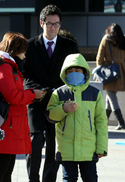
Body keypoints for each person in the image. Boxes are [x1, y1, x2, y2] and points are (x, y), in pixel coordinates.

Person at [23, 4, 79, 182]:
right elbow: (25, 74)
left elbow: (73, 73)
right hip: (36, 101)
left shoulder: (69, 46)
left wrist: (56, 91)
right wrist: (38, 90)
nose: (53, 27)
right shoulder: (30, 45)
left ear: (60, 25)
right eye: (49, 23)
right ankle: (33, 179)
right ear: (41, 23)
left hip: (58, 103)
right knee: (35, 143)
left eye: (56, 24)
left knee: (54, 147)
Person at [0, 32, 45, 182]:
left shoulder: (6, 65)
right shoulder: (5, 67)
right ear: (16, 50)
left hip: (7, 124)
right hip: (5, 125)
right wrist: (32, 94)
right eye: (23, 50)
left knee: (6, 171)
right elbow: (12, 96)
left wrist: (30, 95)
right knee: (0, 170)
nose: (25, 55)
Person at [46, 53, 108, 182]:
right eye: (70, 71)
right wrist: (63, 109)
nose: (74, 73)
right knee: (69, 178)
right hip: (66, 148)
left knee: (90, 178)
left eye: (77, 70)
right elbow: (51, 116)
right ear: (65, 73)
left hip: (88, 149)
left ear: (84, 71)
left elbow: (101, 121)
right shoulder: (59, 93)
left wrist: (101, 147)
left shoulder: (94, 93)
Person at [96, 23, 125, 130]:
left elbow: (99, 58)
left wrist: (100, 71)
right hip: (120, 73)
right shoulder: (123, 41)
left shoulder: (106, 40)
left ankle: (121, 122)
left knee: (112, 98)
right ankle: (104, 122)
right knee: (109, 98)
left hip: (108, 73)